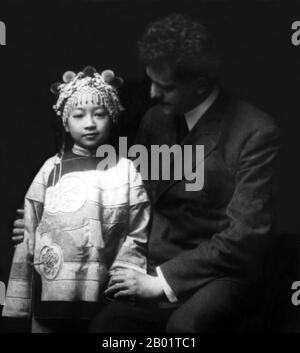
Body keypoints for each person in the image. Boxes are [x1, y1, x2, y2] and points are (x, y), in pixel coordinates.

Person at [88, 13, 280, 333]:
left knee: (184, 330)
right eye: (150, 81)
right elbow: (130, 195)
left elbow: (245, 237)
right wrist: (55, 218)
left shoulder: (257, 132)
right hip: (152, 264)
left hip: (220, 275)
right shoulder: (155, 120)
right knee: (107, 325)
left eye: (164, 87)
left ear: (200, 85)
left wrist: (160, 281)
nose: (151, 94)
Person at [3, 66, 150, 332]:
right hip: (50, 294)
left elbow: (137, 231)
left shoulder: (126, 170)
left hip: (102, 293)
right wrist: (20, 300)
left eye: (100, 114)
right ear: (65, 123)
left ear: (113, 116)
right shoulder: (51, 169)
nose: (90, 122)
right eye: (79, 115)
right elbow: (28, 234)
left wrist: (123, 278)